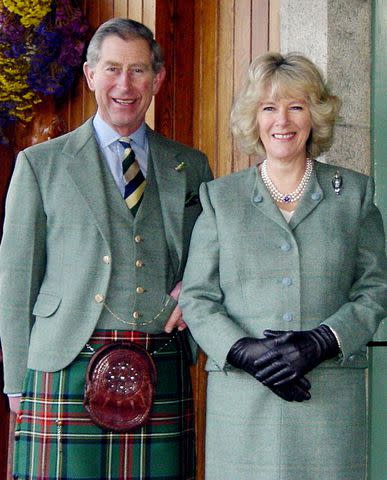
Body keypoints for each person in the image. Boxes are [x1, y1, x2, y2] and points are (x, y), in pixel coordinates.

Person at [0, 18, 212, 480]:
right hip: (64, 360)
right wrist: (15, 380)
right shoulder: (40, 165)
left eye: (138, 71)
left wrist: (194, 284)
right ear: (90, 74)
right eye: (112, 69)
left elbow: (211, 256)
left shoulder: (190, 166)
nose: (124, 84)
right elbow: (16, 280)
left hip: (161, 359)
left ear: (157, 80)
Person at [180, 52, 387, 479]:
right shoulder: (220, 198)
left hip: (328, 404)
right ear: (253, 119)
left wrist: (323, 341)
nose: (283, 120)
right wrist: (242, 351)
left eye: (297, 106)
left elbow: (375, 289)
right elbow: (198, 298)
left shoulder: (354, 194)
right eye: (269, 107)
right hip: (243, 406)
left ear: (316, 115)